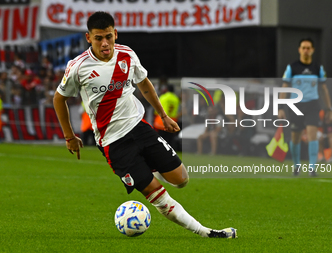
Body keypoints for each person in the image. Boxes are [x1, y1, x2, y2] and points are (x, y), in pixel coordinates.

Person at [53, 12, 236, 238]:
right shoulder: (78, 67)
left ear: (115, 34)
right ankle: (205, 232)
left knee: (181, 180)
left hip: (139, 128)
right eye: (99, 38)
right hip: (113, 143)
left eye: (109, 36)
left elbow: (144, 83)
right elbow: (59, 99)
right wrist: (69, 136)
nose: (105, 43)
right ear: (88, 37)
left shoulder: (127, 55)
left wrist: (164, 115)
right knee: (157, 195)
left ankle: (149, 168)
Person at [279, 38, 332, 176]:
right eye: (303, 48)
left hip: (312, 105)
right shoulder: (292, 67)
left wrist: (328, 108)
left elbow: (324, 89)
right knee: (295, 137)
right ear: (299, 50)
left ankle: (312, 168)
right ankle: (297, 166)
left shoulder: (318, 68)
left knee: (312, 135)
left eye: (308, 48)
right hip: (295, 105)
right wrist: (280, 107)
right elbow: (285, 87)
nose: (306, 50)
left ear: (313, 50)